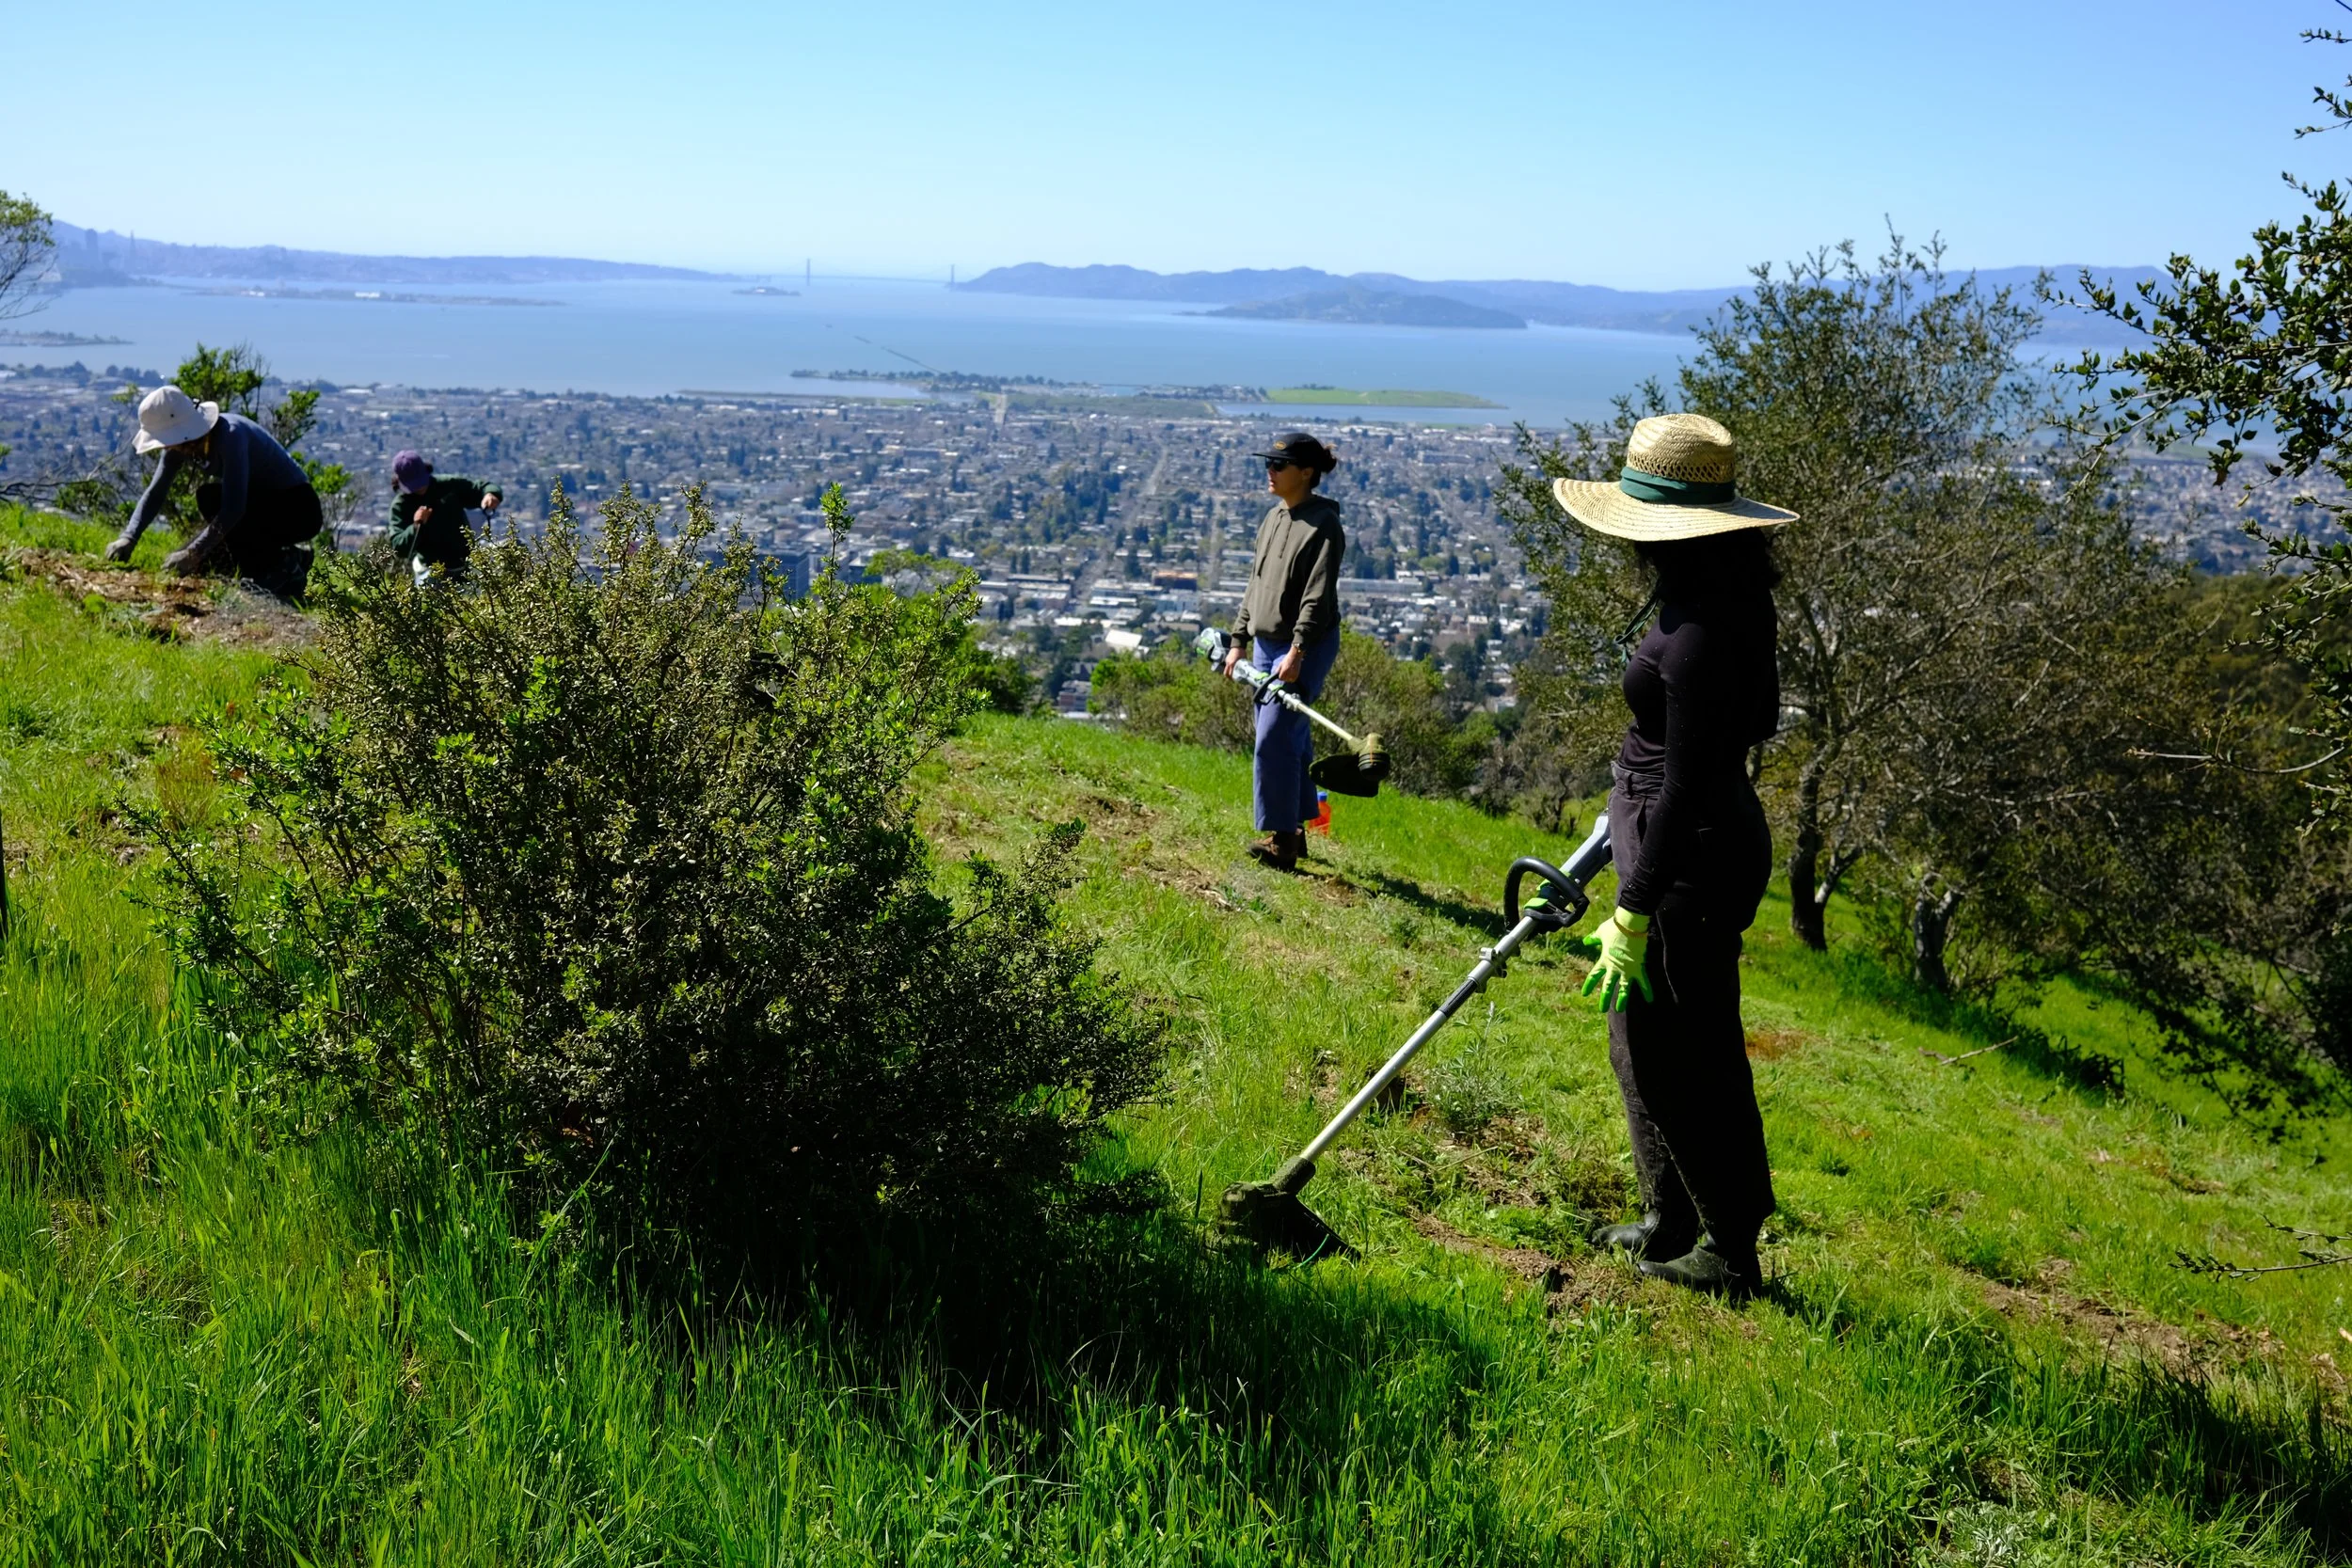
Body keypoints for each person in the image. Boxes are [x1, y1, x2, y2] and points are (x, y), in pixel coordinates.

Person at [1549, 413, 1798, 1299]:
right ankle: (1672, 1214)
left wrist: (1631, 906)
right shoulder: (1734, 595)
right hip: (1687, 835)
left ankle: (1732, 1251)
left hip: (1688, 853)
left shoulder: (1695, 626)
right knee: (1636, 1039)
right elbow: (1760, 718)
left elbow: (1689, 786)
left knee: (1688, 1053)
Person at [1224, 432, 1345, 871]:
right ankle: (1295, 829)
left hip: (1303, 644)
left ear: (1307, 473)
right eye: (1268, 465)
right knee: (1288, 738)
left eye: (1279, 466)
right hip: (1266, 642)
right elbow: (1255, 584)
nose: (1270, 473)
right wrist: (1239, 641)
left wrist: (1297, 651)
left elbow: (1316, 595)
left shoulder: (1323, 525)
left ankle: (1282, 843)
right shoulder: (1275, 516)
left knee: (1273, 740)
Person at [103, 386, 324, 597]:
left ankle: (284, 569)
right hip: (261, 504)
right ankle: (281, 560)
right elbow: (156, 493)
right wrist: (128, 537)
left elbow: (234, 509)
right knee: (209, 497)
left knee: (216, 513)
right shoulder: (180, 446)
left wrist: (194, 552)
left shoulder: (231, 435)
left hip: (298, 510)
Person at [387, 451, 501, 584]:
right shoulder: (401, 506)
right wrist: (416, 525)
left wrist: (491, 494)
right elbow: (399, 547)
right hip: (430, 569)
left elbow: (481, 488)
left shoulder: (447, 486)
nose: (420, 488)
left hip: (465, 564)